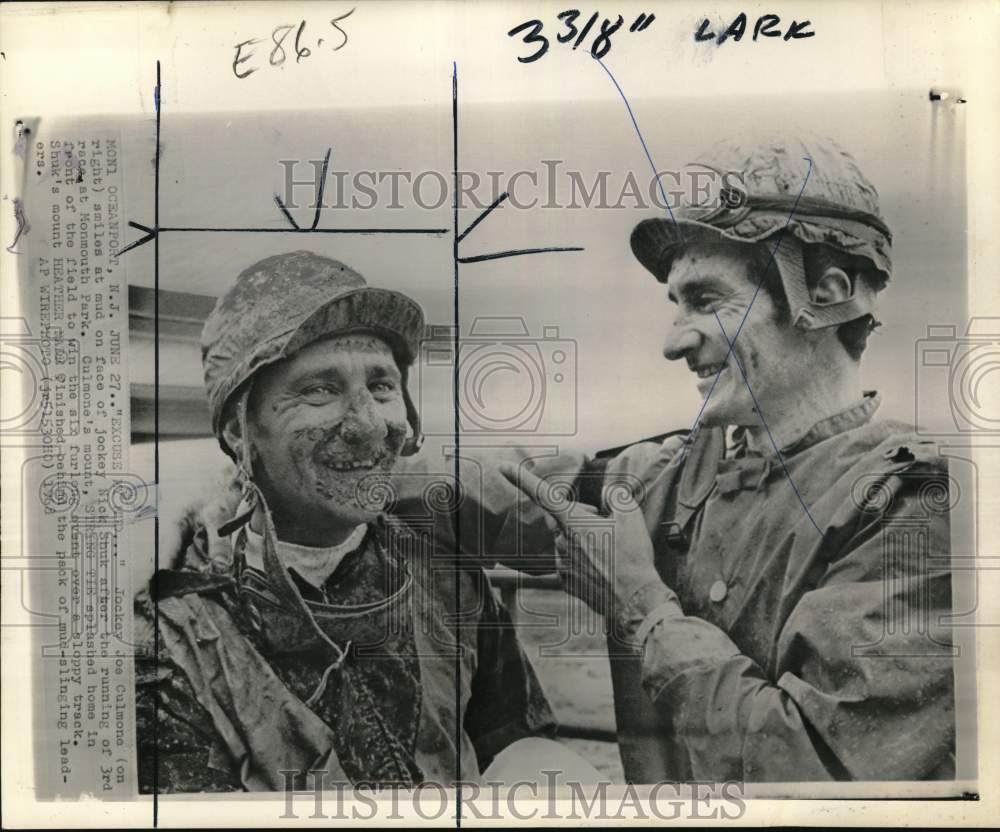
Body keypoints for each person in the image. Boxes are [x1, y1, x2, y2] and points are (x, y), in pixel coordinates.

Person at [488, 135, 957, 781]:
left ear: (826, 293)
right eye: (677, 304)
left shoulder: (913, 501)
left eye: (707, 300)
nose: (674, 342)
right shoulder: (669, 476)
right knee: (527, 766)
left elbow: (819, 776)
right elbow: (493, 496)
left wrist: (642, 609)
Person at [133, 251, 575, 793]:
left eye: (382, 387)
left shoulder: (443, 575)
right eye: (320, 389)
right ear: (236, 430)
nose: (370, 424)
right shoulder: (168, 642)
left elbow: (516, 748)